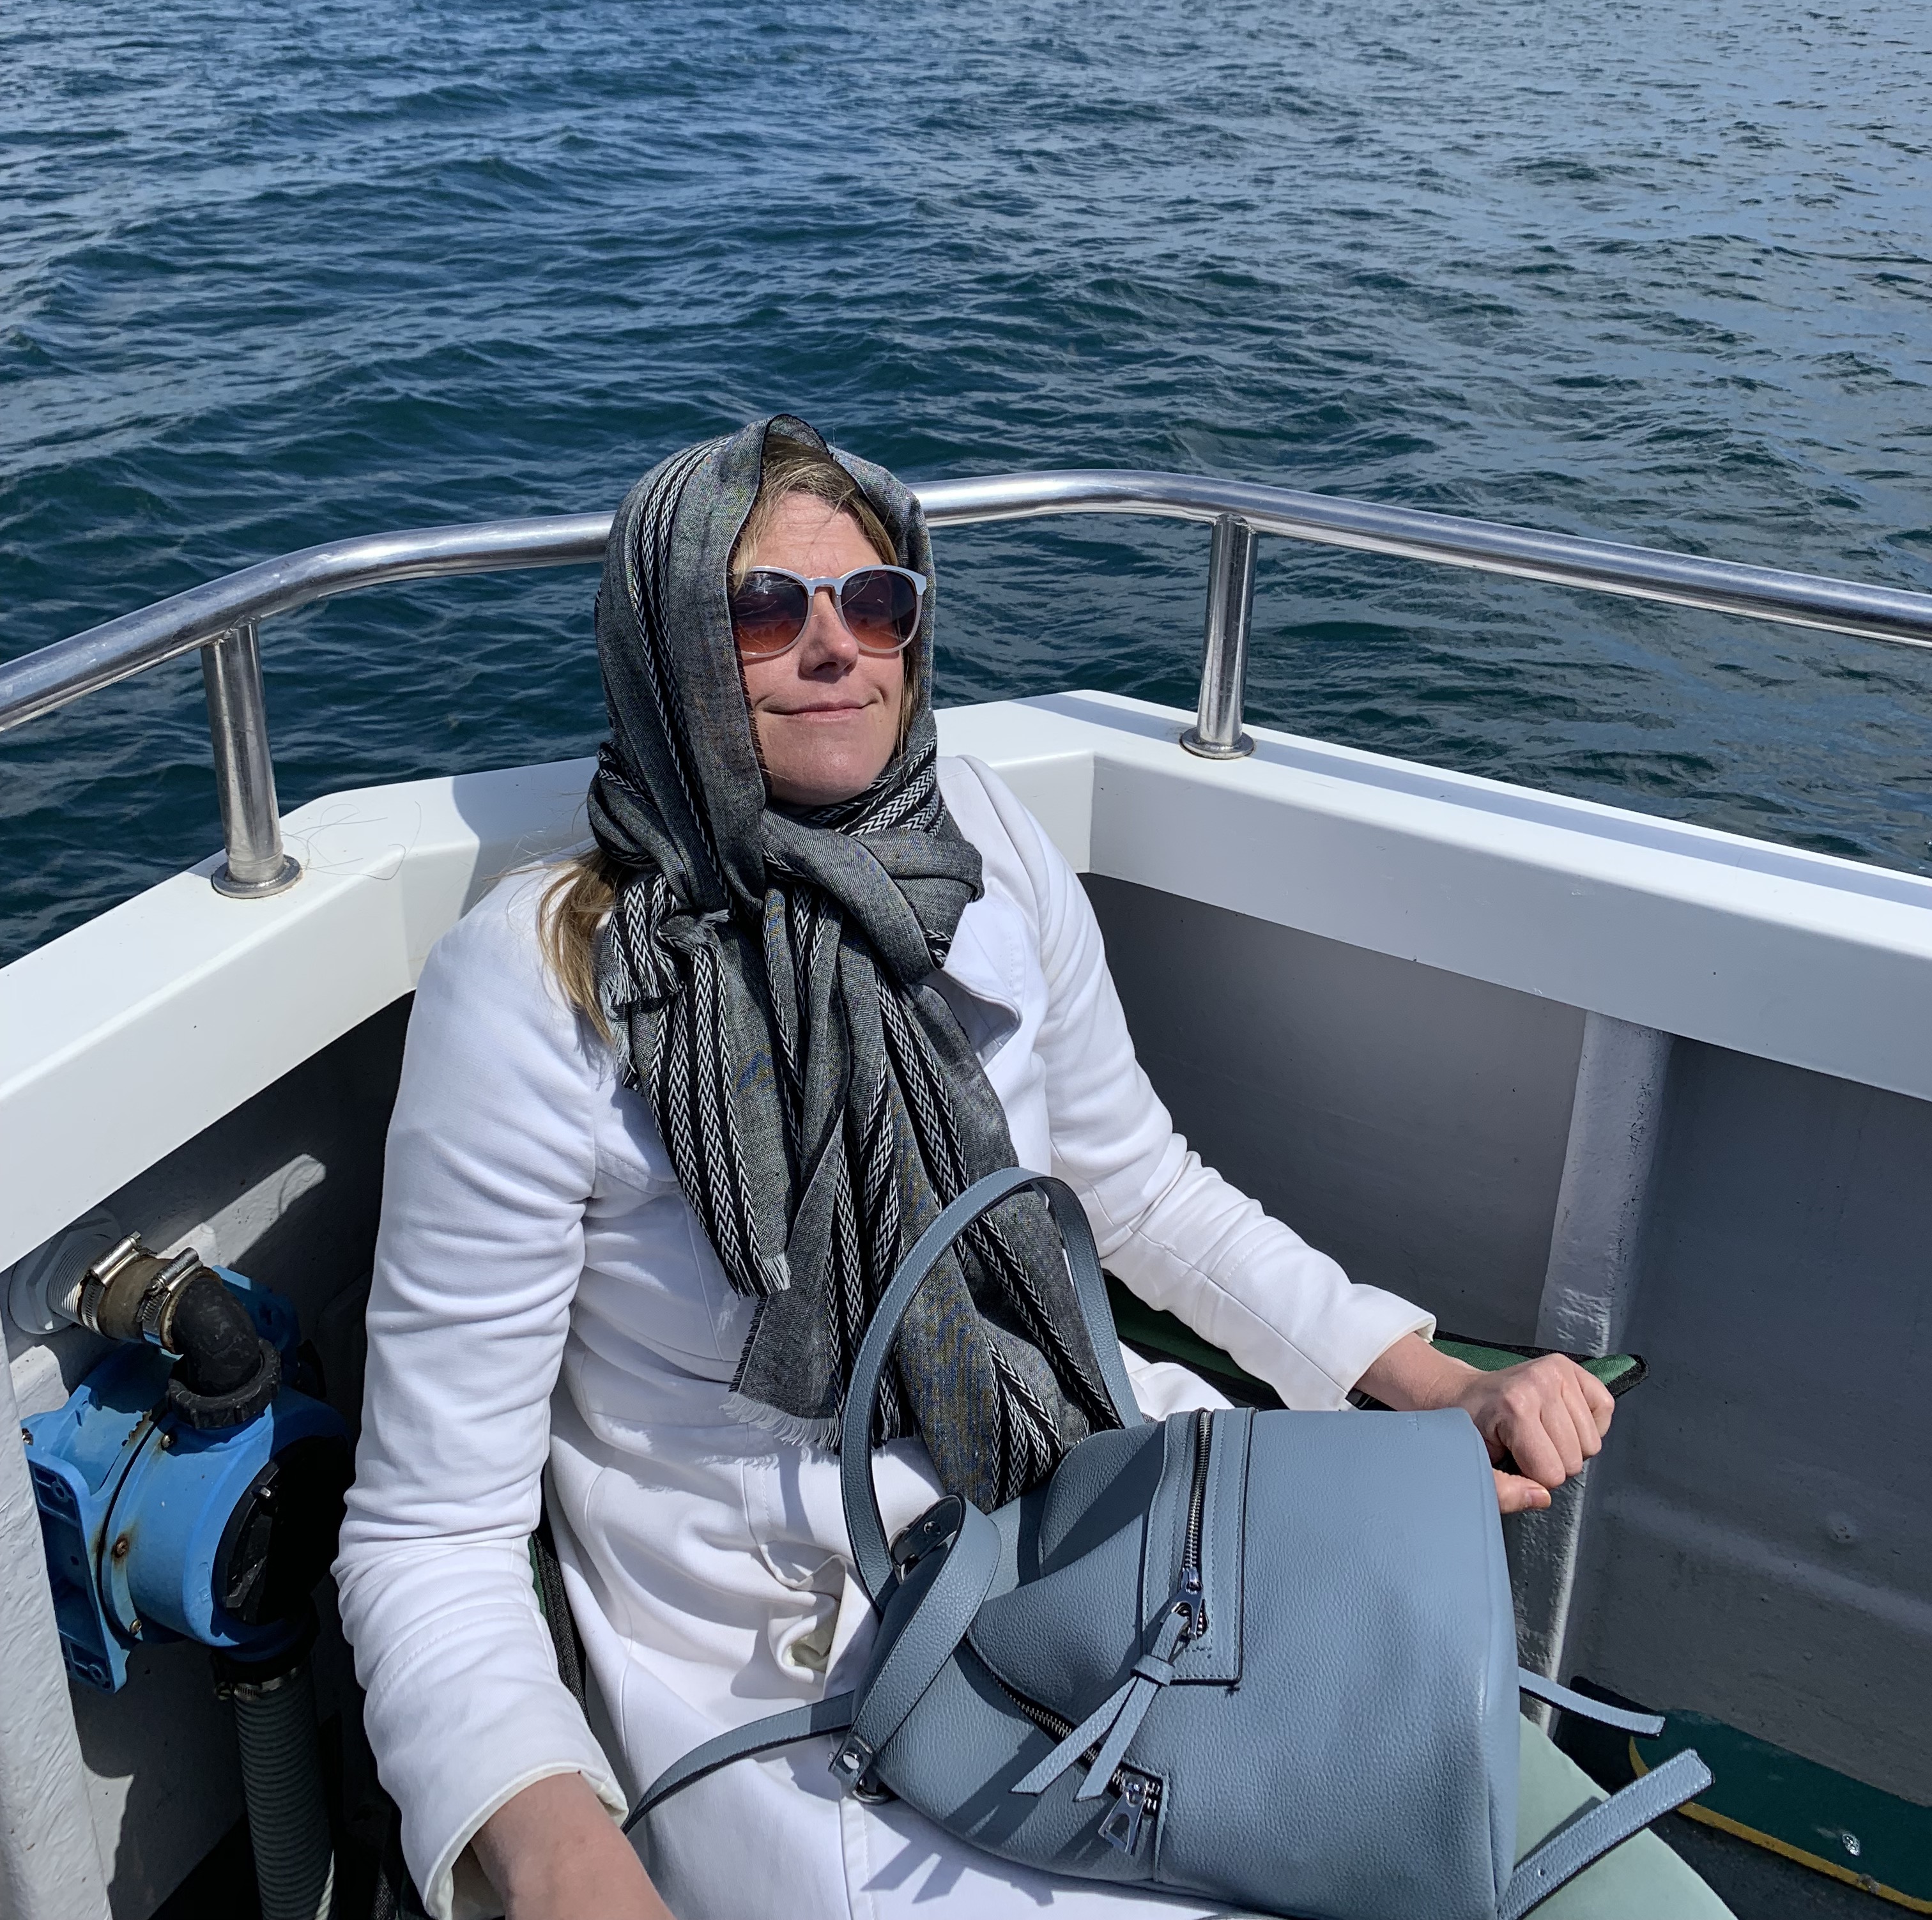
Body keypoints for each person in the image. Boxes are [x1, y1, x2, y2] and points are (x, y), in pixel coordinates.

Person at [335, 417, 1728, 1920]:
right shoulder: (543, 986)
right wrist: (563, 1863)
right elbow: (430, 1537)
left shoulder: (982, 846)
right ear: (663, 644)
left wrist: (1428, 1381)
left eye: (877, 602)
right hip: (809, 1689)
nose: (837, 646)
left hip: (1108, 1539)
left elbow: (1145, 1195)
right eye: (765, 609)